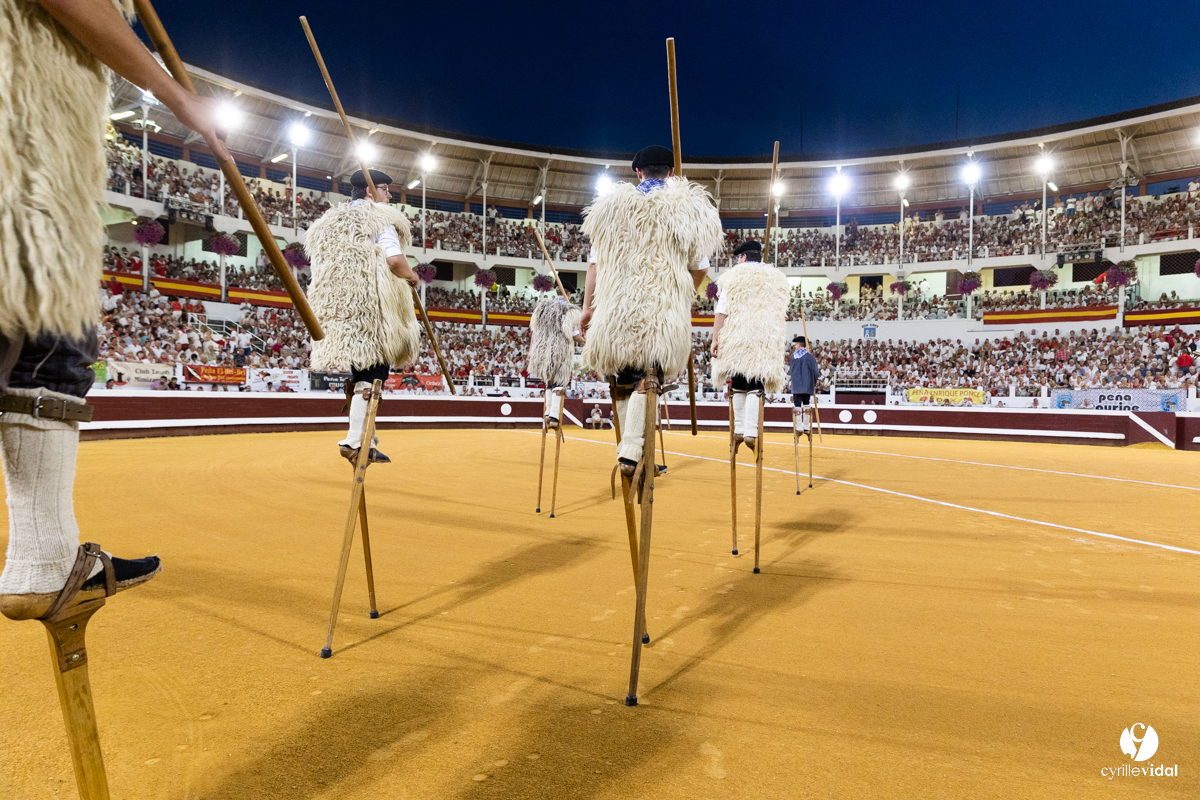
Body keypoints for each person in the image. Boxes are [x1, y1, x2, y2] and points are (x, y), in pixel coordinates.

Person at [1, 0, 228, 620]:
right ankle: (42, 562)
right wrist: (177, 97)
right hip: (23, 136)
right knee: (50, 335)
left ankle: (41, 558)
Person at [580, 145, 722, 476]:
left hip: (615, 311)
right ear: (671, 173)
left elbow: (595, 268)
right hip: (660, 312)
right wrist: (680, 290)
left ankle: (631, 451)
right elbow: (700, 268)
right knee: (650, 375)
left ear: (637, 173)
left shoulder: (610, 209)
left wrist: (588, 309)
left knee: (623, 376)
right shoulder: (686, 208)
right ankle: (631, 452)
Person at [306, 168, 421, 464]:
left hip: (337, 310)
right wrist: (412, 277)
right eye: (384, 188)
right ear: (370, 192)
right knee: (373, 373)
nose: (389, 194)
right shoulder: (380, 218)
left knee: (361, 372)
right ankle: (355, 440)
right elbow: (394, 261)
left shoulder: (328, 223)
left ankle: (364, 438)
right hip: (371, 308)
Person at [709, 241, 790, 451]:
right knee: (756, 382)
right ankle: (751, 432)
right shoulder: (775, 279)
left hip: (738, 336)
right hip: (764, 338)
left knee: (738, 379)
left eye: (738, 258)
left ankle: (738, 429)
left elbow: (722, 311)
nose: (737, 261)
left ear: (743, 257)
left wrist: (715, 338)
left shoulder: (734, 277)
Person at [527, 294, 582, 428]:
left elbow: (534, 332)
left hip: (544, 351)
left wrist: (531, 349)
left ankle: (547, 413)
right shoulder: (569, 311)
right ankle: (554, 417)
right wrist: (587, 341)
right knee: (559, 382)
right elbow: (573, 335)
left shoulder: (543, 310)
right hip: (560, 351)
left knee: (549, 382)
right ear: (568, 294)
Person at [789, 335, 819, 434]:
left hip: (797, 385)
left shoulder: (793, 356)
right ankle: (807, 426)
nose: (795, 346)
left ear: (798, 344)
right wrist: (813, 382)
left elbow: (791, 371)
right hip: (807, 385)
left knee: (797, 405)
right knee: (806, 404)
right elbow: (815, 372)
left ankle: (799, 427)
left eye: (796, 344)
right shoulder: (810, 357)